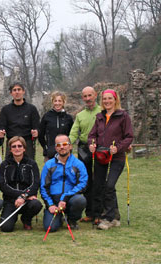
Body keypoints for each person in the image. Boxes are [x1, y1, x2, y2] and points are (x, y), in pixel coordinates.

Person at [88, 89, 133, 230]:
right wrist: (92, 144)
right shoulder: (99, 117)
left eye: (110, 98)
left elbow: (129, 137)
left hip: (116, 157)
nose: (107, 101)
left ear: (115, 100)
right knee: (100, 186)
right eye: (104, 99)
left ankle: (108, 218)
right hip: (101, 156)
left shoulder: (123, 116)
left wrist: (118, 148)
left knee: (110, 185)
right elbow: (92, 135)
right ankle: (114, 216)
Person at [40, 134, 88, 232]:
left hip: (70, 199)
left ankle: (71, 219)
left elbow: (83, 184)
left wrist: (65, 197)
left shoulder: (78, 164)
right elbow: (43, 187)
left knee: (80, 200)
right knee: (50, 228)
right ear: (56, 148)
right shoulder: (49, 165)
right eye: (58, 145)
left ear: (70, 146)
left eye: (65, 144)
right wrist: (50, 205)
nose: (62, 147)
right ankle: (59, 217)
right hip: (54, 202)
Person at [68, 86, 101, 222]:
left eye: (90, 95)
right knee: (86, 181)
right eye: (85, 96)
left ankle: (100, 213)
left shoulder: (103, 112)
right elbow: (74, 132)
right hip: (84, 150)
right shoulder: (80, 116)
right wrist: (67, 144)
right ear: (82, 98)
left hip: (100, 149)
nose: (88, 99)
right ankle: (90, 213)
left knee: (99, 181)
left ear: (95, 95)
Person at [0, 136, 42, 232]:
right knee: (6, 228)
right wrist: (20, 196)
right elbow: (3, 186)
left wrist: (24, 196)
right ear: (10, 149)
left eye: (19, 146)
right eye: (14, 146)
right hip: (11, 200)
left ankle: (26, 219)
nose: (17, 148)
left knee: (36, 204)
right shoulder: (5, 165)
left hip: (27, 200)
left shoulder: (32, 164)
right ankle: (10, 218)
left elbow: (35, 184)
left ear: (24, 148)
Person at [0, 82, 40, 159]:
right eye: (14, 90)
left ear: (23, 91)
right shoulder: (5, 110)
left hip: (27, 142)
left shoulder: (32, 109)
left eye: (19, 89)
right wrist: (0, 131)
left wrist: (36, 131)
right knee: (10, 167)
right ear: (11, 93)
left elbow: (37, 125)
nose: (17, 92)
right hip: (11, 141)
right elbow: (1, 125)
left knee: (28, 167)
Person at [39, 91, 74, 161]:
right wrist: (45, 148)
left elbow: (72, 135)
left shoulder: (68, 118)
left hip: (65, 153)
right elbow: (40, 135)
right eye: (55, 101)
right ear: (52, 102)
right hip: (50, 154)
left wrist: (69, 147)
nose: (57, 103)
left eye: (60, 101)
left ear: (63, 102)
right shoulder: (46, 116)